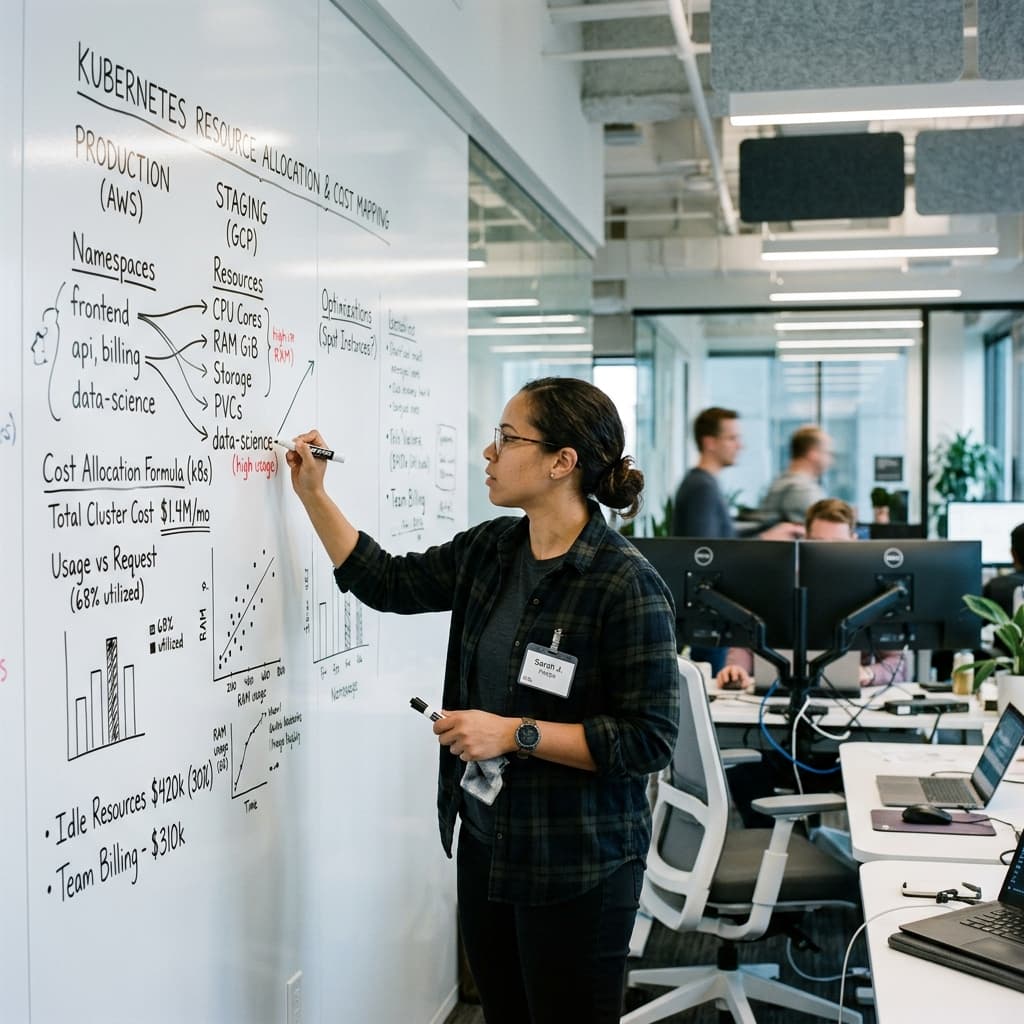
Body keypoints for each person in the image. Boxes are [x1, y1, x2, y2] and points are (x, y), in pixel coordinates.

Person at [283, 377, 680, 1024]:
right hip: (488, 840)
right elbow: (388, 581)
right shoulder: (492, 550)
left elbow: (647, 740)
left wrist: (513, 733)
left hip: (575, 859)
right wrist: (313, 496)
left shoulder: (625, 586)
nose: (488, 453)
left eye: (507, 437)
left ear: (562, 462)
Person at [716, 498, 909, 691]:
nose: (827, 553)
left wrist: (869, 673)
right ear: (805, 540)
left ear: (853, 540)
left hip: (850, 702)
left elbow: (898, 663)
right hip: (779, 694)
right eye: (818, 543)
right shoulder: (781, 584)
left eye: (838, 544)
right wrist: (736, 669)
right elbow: (745, 645)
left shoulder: (872, 591)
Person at [670, 406, 802, 673]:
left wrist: (767, 533)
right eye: (732, 438)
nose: (739, 446)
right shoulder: (701, 487)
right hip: (708, 615)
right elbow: (706, 554)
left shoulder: (706, 484)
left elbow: (720, 538)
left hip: (713, 614)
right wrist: (765, 538)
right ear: (710, 442)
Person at [757, 425, 833, 525]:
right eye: (828, 453)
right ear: (813, 454)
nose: (831, 460)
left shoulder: (781, 482)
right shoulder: (801, 489)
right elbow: (828, 529)